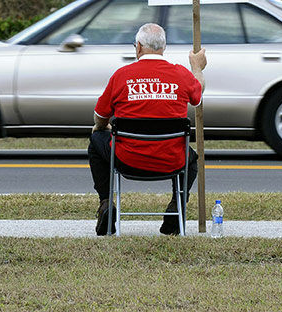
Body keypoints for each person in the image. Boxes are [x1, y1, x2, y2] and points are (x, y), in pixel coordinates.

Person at [88, 23, 207, 235]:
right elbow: (197, 97)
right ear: (164, 47)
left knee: (97, 139)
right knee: (192, 158)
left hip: (127, 160)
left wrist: (101, 127)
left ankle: (106, 202)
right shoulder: (180, 75)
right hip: (171, 161)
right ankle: (175, 206)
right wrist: (197, 68)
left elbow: (100, 116)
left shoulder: (121, 75)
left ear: (139, 47)